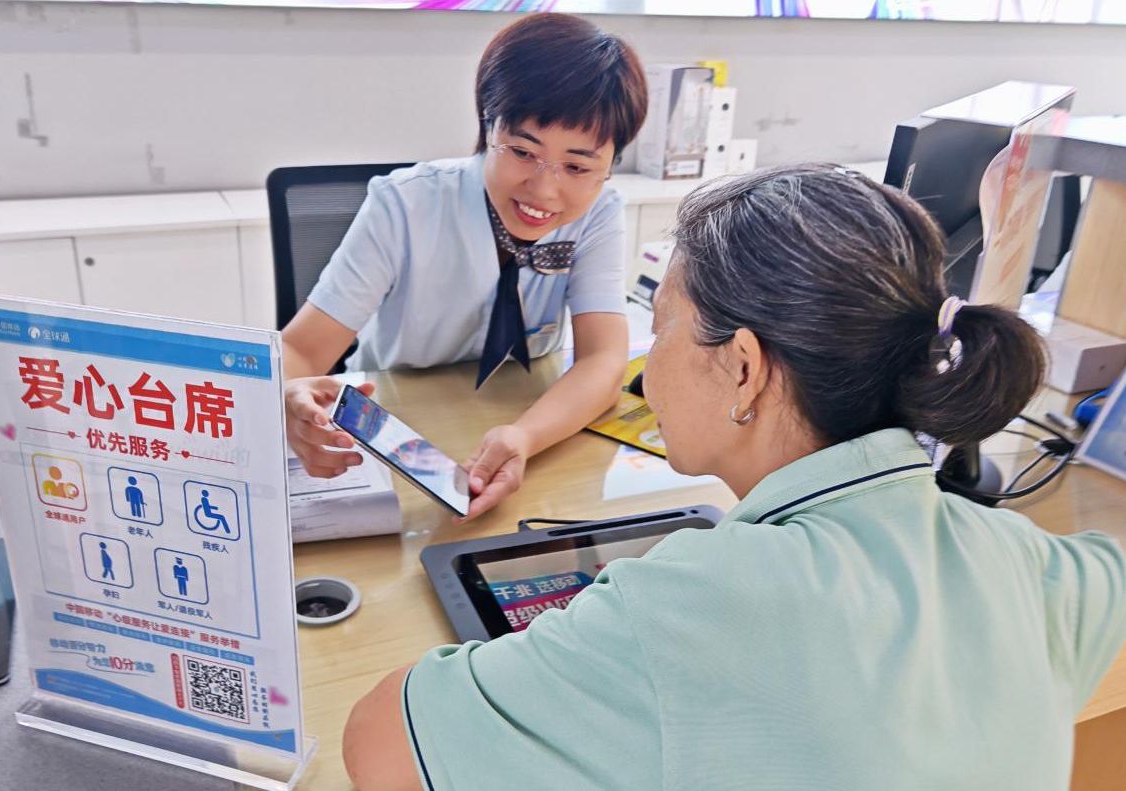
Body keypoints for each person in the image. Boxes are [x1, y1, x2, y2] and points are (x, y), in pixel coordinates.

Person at [341, 165, 1126, 790]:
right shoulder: (1033, 562)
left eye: (660, 328)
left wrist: (579, 645)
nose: (645, 371)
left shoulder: (686, 602)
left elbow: (379, 744)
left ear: (744, 368)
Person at [281, 13, 647, 520]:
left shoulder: (599, 212)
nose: (545, 190)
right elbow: (300, 349)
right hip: (396, 424)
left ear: (609, 166)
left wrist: (524, 436)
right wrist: (290, 396)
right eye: (523, 151)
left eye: (578, 166)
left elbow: (603, 361)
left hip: (526, 413)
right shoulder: (404, 204)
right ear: (487, 125)